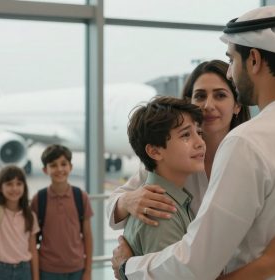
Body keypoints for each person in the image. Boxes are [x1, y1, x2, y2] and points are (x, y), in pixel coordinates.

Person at [112, 6, 275, 280]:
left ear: (255, 60)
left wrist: (129, 268)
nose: (232, 75)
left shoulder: (248, 142)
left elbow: (196, 265)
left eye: (232, 60)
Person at [106, 60, 250, 229]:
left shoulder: (249, 158)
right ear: (189, 102)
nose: (208, 105)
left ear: (237, 105)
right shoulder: (173, 160)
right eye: (200, 96)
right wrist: (127, 201)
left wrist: (133, 257)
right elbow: (113, 209)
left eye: (220, 95)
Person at [123, 96, 205, 256]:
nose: (200, 142)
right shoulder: (161, 211)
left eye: (199, 132)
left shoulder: (176, 199)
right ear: (155, 151)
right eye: (186, 135)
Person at [30, 144, 93, 280]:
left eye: (63, 164)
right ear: (45, 170)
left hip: (77, 269)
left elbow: (87, 236)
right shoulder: (38, 199)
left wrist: (88, 271)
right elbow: (32, 241)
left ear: (70, 167)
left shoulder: (81, 197)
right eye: (53, 165)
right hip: (47, 270)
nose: (59, 169)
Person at [0, 153, 39, 280]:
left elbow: (33, 249)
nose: (14, 188)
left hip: (24, 270)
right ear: (0, 188)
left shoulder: (30, 216)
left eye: (19, 184)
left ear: (24, 187)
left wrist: (36, 278)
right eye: (9, 184)